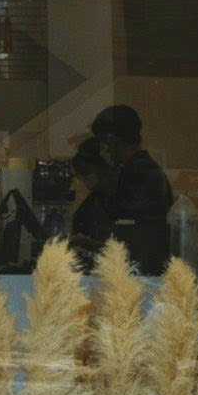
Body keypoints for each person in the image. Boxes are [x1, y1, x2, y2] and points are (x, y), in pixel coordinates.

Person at [91, 104, 174, 276]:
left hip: (140, 274)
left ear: (113, 140)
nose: (104, 149)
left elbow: (129, 230)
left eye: (104, 142)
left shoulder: (138, 173)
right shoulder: (146, 170)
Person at [67, 137, 116, 271]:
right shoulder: (96, 198)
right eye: (80, 176)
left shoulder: (119, 196)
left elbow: (125, 247)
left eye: (86, 174)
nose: (82, 181)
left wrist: (87, 243)